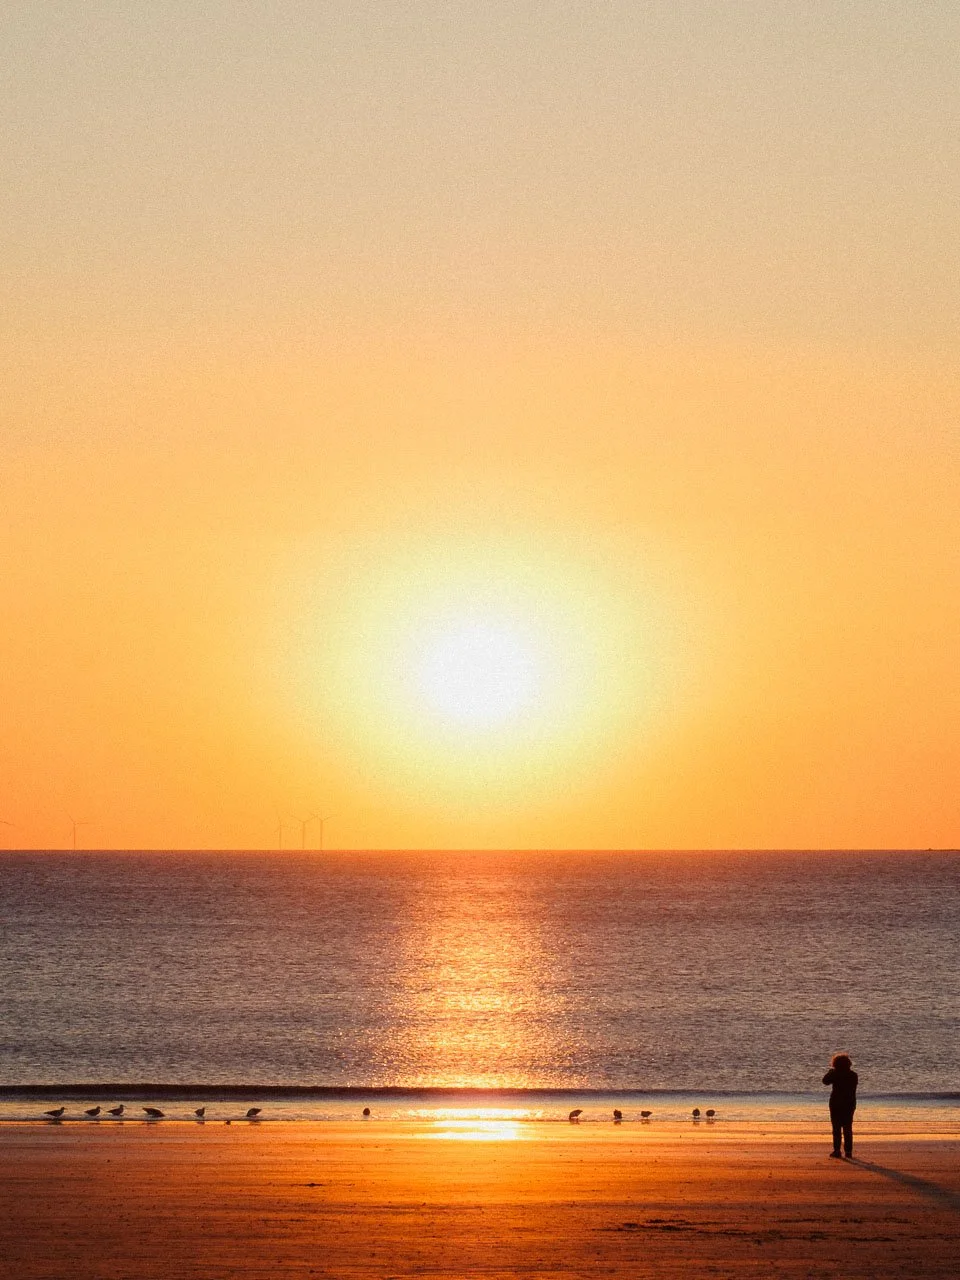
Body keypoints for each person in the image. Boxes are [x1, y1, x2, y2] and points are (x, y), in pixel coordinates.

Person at [822, 1053, 858, 1159]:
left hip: (836, 1103)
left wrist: (830, 1072)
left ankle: (837, 1150)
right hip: (849, 1103)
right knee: (848, 1128)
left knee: (836, 1127)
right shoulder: (853, 1075)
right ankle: (848, 1151)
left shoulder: (835, 1074)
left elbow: (825, 1081)